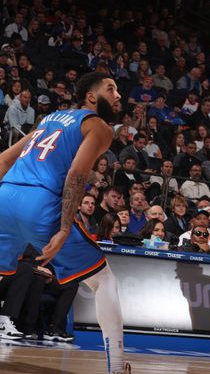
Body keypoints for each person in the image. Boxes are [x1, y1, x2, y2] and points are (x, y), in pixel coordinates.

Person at [0, 72, 128, 373]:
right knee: (103, 279)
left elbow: (4, 160)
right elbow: (76, 175)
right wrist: (64, 227)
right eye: (111, 89)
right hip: (42, 203)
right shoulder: (98, 125)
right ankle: (117, 367)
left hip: (6, 195)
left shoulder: (49, 119)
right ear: (91, 97)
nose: (119, 95)